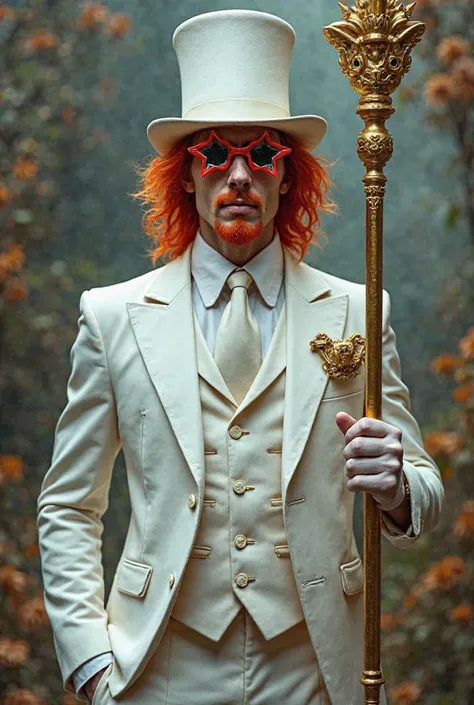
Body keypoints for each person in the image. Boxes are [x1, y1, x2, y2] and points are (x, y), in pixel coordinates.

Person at [36, 9, 444, 705]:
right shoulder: (111, 316)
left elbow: (425, 492)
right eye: (215, 154)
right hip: (156, 669)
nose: (237, 175)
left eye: (261, 154)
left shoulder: (357, 312)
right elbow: (69, 505)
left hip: (314, 669)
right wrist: (91, 663)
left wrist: (398, 485)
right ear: (185, 175)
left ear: (289, 178)